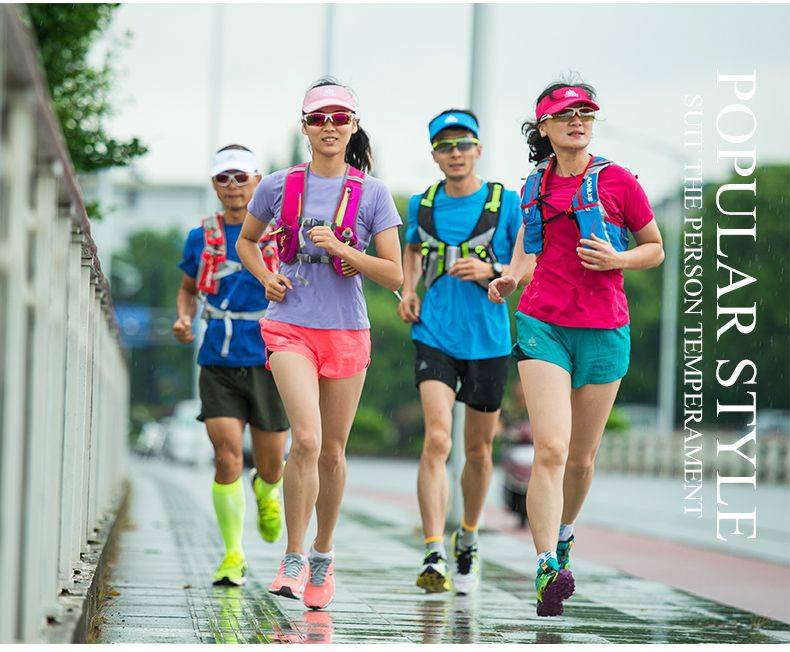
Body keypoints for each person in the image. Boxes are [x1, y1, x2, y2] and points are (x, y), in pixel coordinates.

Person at [488, 81, 664, 616]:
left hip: (606, 328)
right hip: (544, 325)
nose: (578, 121)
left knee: (582, 458)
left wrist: (619, 260)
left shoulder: (618, 182)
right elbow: (529, 244)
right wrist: (510, 277)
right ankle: (545, 566)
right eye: (566, 115)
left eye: (586, 113)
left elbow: (654, 249)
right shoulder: (534, 186)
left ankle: (564, 536)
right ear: (543, 127)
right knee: (552, 449)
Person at [237, 78, 403, 610]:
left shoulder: (373, 193)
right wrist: (265, 276)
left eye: (339, 118)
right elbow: (246, 241)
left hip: (347, 330)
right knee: (305, 439)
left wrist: (342, 249)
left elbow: (395, 275)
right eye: (318, 118)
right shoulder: (278, 186)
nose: (329, 127)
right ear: (304, 126)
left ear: (353, 125)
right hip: (289, 323)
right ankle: (291, 555)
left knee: (332, 450)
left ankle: (323, 557)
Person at [398, 109, 523, 595]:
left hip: (488, 339)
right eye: (445, 146)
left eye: (463, 144)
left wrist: (492, 272)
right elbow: (411, 250)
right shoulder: (421, 204)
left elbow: (524, 263)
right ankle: (433, 548)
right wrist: (408, 291)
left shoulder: (505, 203)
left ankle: (468, 536)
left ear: (478, 149)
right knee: (437, 439)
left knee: (478, 448)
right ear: (434, 154)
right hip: (434, 333)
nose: (455, 154)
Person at [172, 144, 289, 587]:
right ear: (213, 185)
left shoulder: (278, 232)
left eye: (241, 177)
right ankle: (233, 555)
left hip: (270, 356)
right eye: (223, 178)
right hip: (218, 358)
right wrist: (183, 318)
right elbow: (187, 289)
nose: (233, 186)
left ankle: (267, 489)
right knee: (225, 457)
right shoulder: (200, 236)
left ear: (258, 181)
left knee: (271, 463)